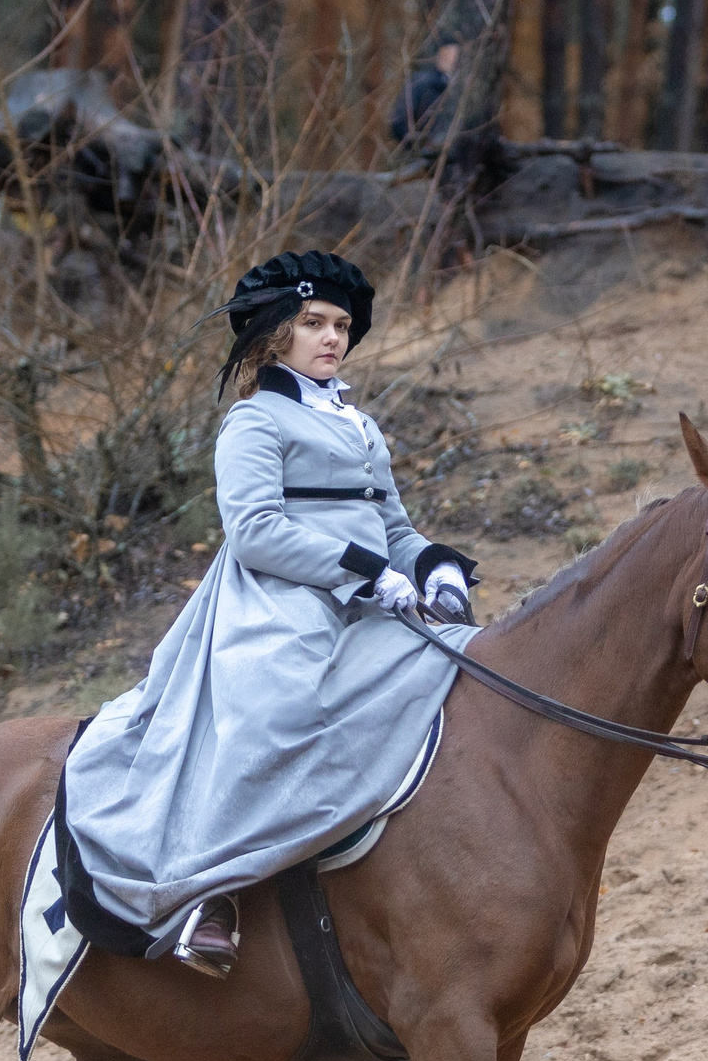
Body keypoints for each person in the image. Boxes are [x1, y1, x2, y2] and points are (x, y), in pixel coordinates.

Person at [55, 250, 479, 978]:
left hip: (371, 601)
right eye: (313, 322)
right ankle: (209, 892)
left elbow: (395, 528)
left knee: (463, 673)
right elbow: (255, 531)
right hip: (281, 601)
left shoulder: (360, 425)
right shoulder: (252, 420)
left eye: (340, 324)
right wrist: (367, 571)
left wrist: (434, 566)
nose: (331, 336)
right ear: (277, 332)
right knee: (275, 714)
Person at [388, 41, 460, 148]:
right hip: (419, 148)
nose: (451, 57)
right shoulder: (421, 81)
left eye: (454, 53)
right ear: (439, 53)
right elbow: (398, 122)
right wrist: (417, 142)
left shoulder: (457, 85)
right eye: (447, 52)